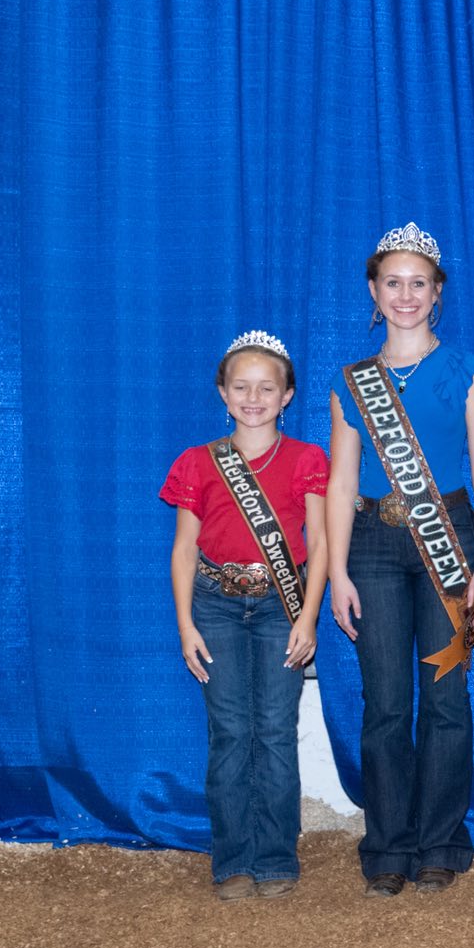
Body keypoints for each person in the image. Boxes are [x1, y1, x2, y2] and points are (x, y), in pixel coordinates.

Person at [327, 222, 474, 897]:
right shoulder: (351, 382)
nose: (406, 295)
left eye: (418, 284)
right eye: (393, 283)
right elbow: (343, 484)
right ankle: (387, 846)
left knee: (446, 696)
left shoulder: (468, 371)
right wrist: (337, 571)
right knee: (386, 703)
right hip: (371, 544)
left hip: (448, 537)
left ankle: (440, 843)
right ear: (375, 292)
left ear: (437, 294)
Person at [160, 330, 330, 900]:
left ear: (287, 396)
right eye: (241, 387)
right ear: (223, 393)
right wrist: (185, 624)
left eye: (266, 387)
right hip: (215, 605)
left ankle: (278, 856)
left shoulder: (308, 459)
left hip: (283, 604)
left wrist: (308, 616)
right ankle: (233, 858)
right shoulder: (197, 462)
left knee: (277, 732)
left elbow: (322, 542)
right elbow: (185, 548)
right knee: (230, 732)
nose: (253, 397)